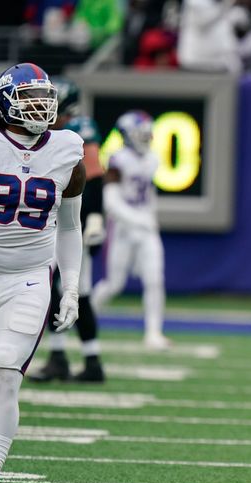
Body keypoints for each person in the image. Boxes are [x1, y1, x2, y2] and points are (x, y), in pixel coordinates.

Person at [0, 63, 85, 483]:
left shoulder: (67, 147)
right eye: (29, 96)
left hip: (30, 277)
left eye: (45, 96)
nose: (40, 105)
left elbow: (70, 225)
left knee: (5, 370)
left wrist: (72, 286)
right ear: (4, 103)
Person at [29, 77, 107, 383]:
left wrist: (96, 217)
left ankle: (89, 360)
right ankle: (63, 356)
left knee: (77, 290)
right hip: (51, 219)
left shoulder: (79, 128)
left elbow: (95, 176)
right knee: (51, 288)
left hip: (75, 221)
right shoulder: (42, 130)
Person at [90, 110, 170, 350]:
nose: (146, 138)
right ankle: (85, 316)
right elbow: (111, 202)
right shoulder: (118, 159)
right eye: (140, 134)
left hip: (146, 228)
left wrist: (149, 219)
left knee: (155, 280)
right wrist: (139, 221)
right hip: (123, 229)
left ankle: (153, 333)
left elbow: (149, 194)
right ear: (127, 135)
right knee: (114, 284)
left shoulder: (152, 158)